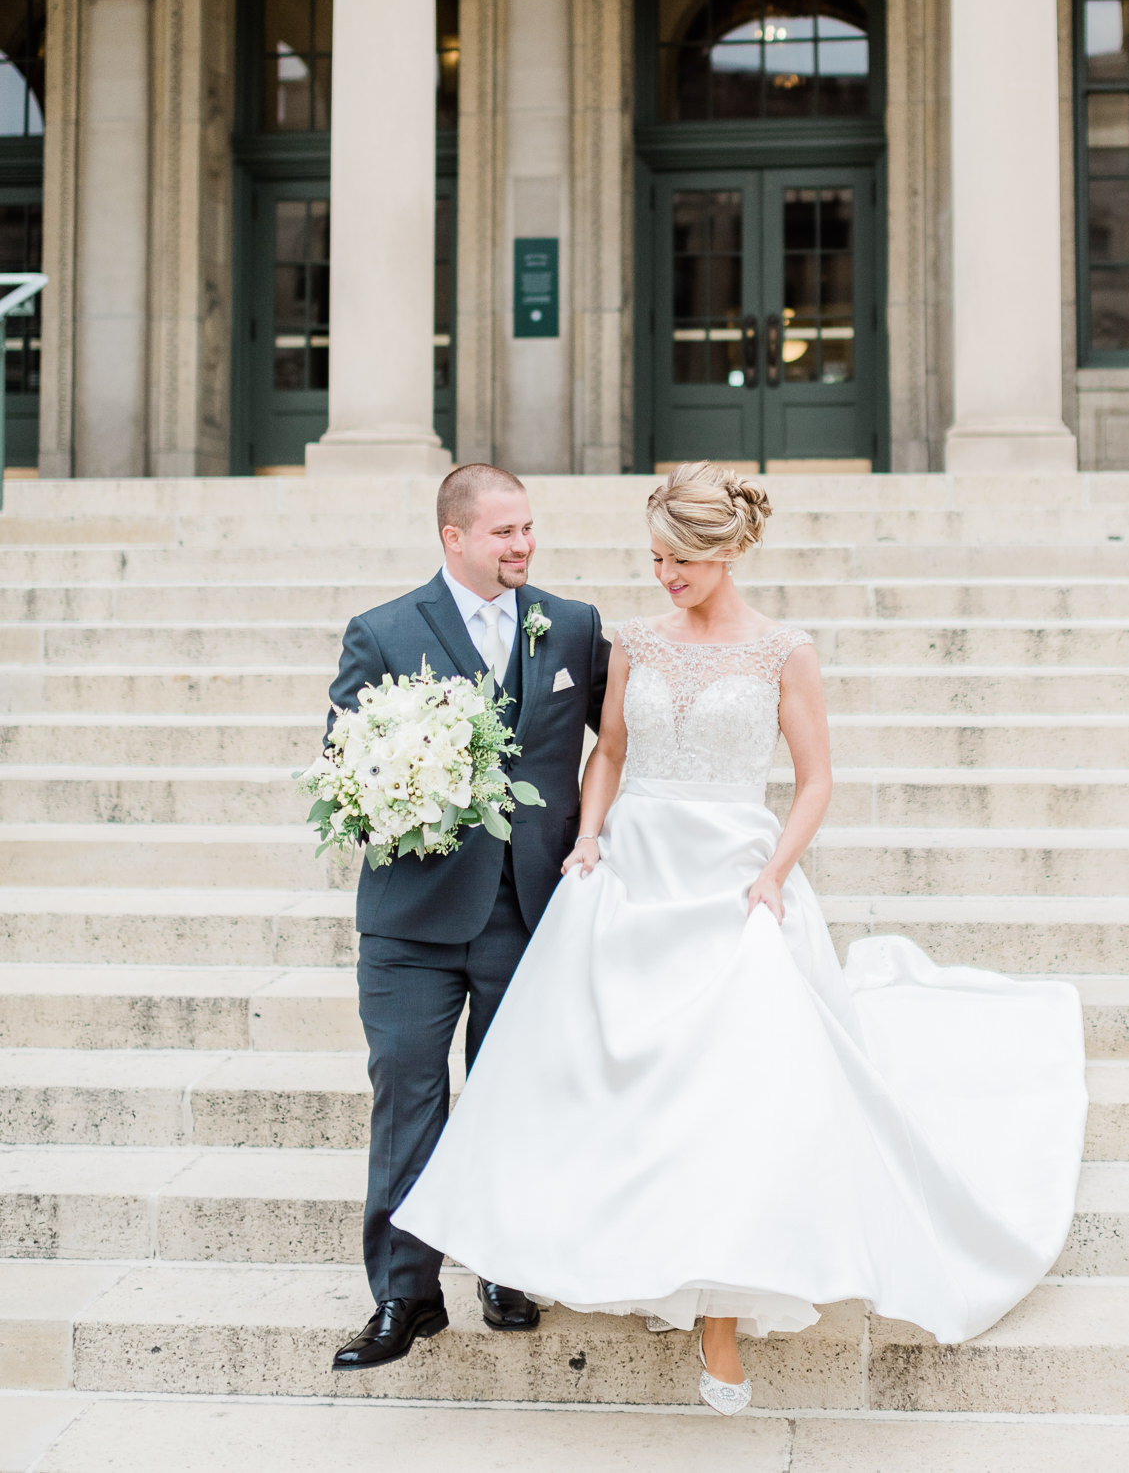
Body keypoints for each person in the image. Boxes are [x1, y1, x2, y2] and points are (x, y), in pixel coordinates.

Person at [393, 462, 1087, 1414]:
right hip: (634, 870)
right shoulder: (631, 641)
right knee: (618, 1077)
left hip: (733, 878)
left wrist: (773, 873)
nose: (663, 574)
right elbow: (611, 756)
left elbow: (814, 781)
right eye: (653, 558)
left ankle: (718, 1313)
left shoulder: (782, 652)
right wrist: (590, 836)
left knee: (728, 1089)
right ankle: (626, 1247)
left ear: (724, 555)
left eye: (678, 560)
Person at [329, 463, 610, 1373]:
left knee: (513, 1099)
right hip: (412, 923)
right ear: (454, 538)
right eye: (503, 533)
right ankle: (406, 1296)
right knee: (408, 1097)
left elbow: (625, 741)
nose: (523, 545)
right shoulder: (382, 633)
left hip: (528, 913)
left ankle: (506, 1266)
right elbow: (348, 768)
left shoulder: (572, 626)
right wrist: (420, 783)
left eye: (528, 528)